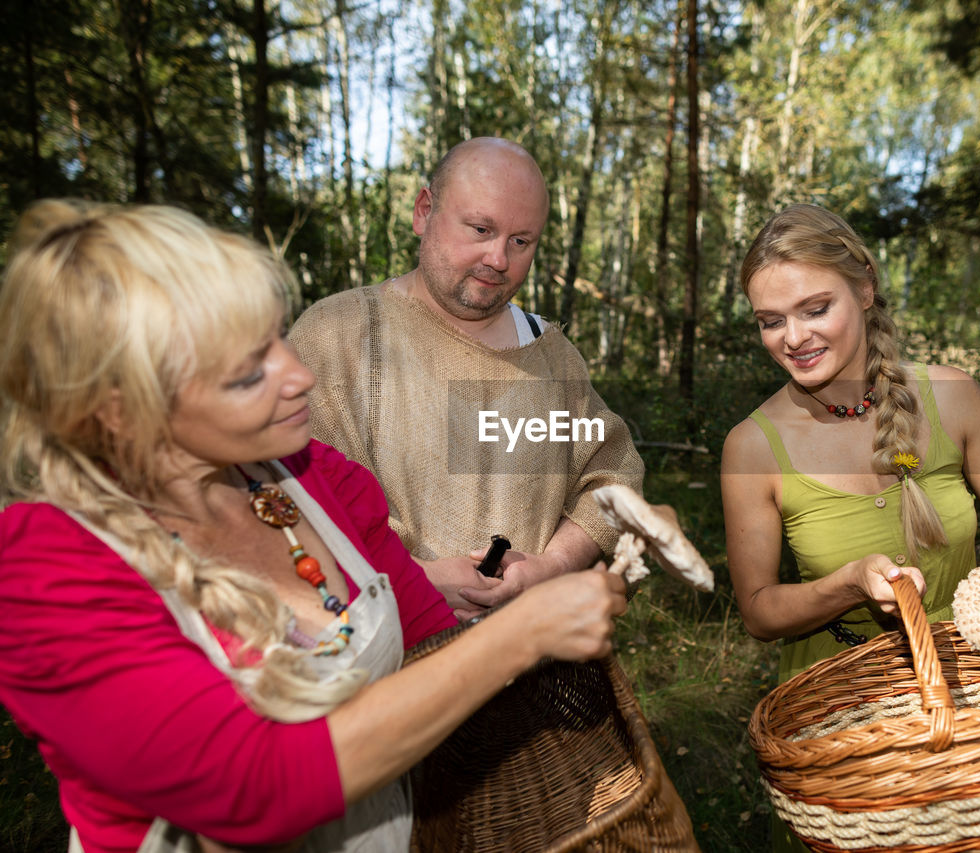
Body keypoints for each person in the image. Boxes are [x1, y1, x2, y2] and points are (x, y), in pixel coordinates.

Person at [0, 200, 628, 853]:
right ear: (121, 410)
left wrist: (566, 582)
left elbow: (433, 645)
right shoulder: (42, 570)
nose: (300, 374)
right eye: (249, 371)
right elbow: (254, 786)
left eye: (277, 337)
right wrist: (520, 635)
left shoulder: (314, 478)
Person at [721, 204, 980, 849]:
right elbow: (760, 612)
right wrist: (846, 585)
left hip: (973, 701)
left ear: (865, 288)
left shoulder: (952, 397)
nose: (792, 337)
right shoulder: (752, 447)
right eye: (771, 321)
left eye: (815, 309)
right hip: (839, 730)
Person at [289, 137, 644, 622]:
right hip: (388, 665)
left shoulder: (551, 356)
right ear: (424, 211)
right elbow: (282, 506)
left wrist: (550, 566)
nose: (498, 258)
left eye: (521, 241)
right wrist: (413, 579)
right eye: (480, 229)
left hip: (536, 665)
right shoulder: (337, 337)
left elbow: (612, 482)